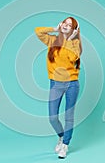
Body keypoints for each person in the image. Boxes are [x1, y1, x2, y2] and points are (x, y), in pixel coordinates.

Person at [35, 17, 82, 159]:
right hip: (55, 84)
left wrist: (69, 39)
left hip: (71, 84)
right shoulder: (53, 41)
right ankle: (61, 136)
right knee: (52, 117)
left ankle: (65, 145)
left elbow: (72, 58)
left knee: (69, 116)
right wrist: (55, 29)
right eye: (65, 23)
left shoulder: (75, 43)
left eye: (70, 25)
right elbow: (38, 32)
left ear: (74, 30)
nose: (66, 26)